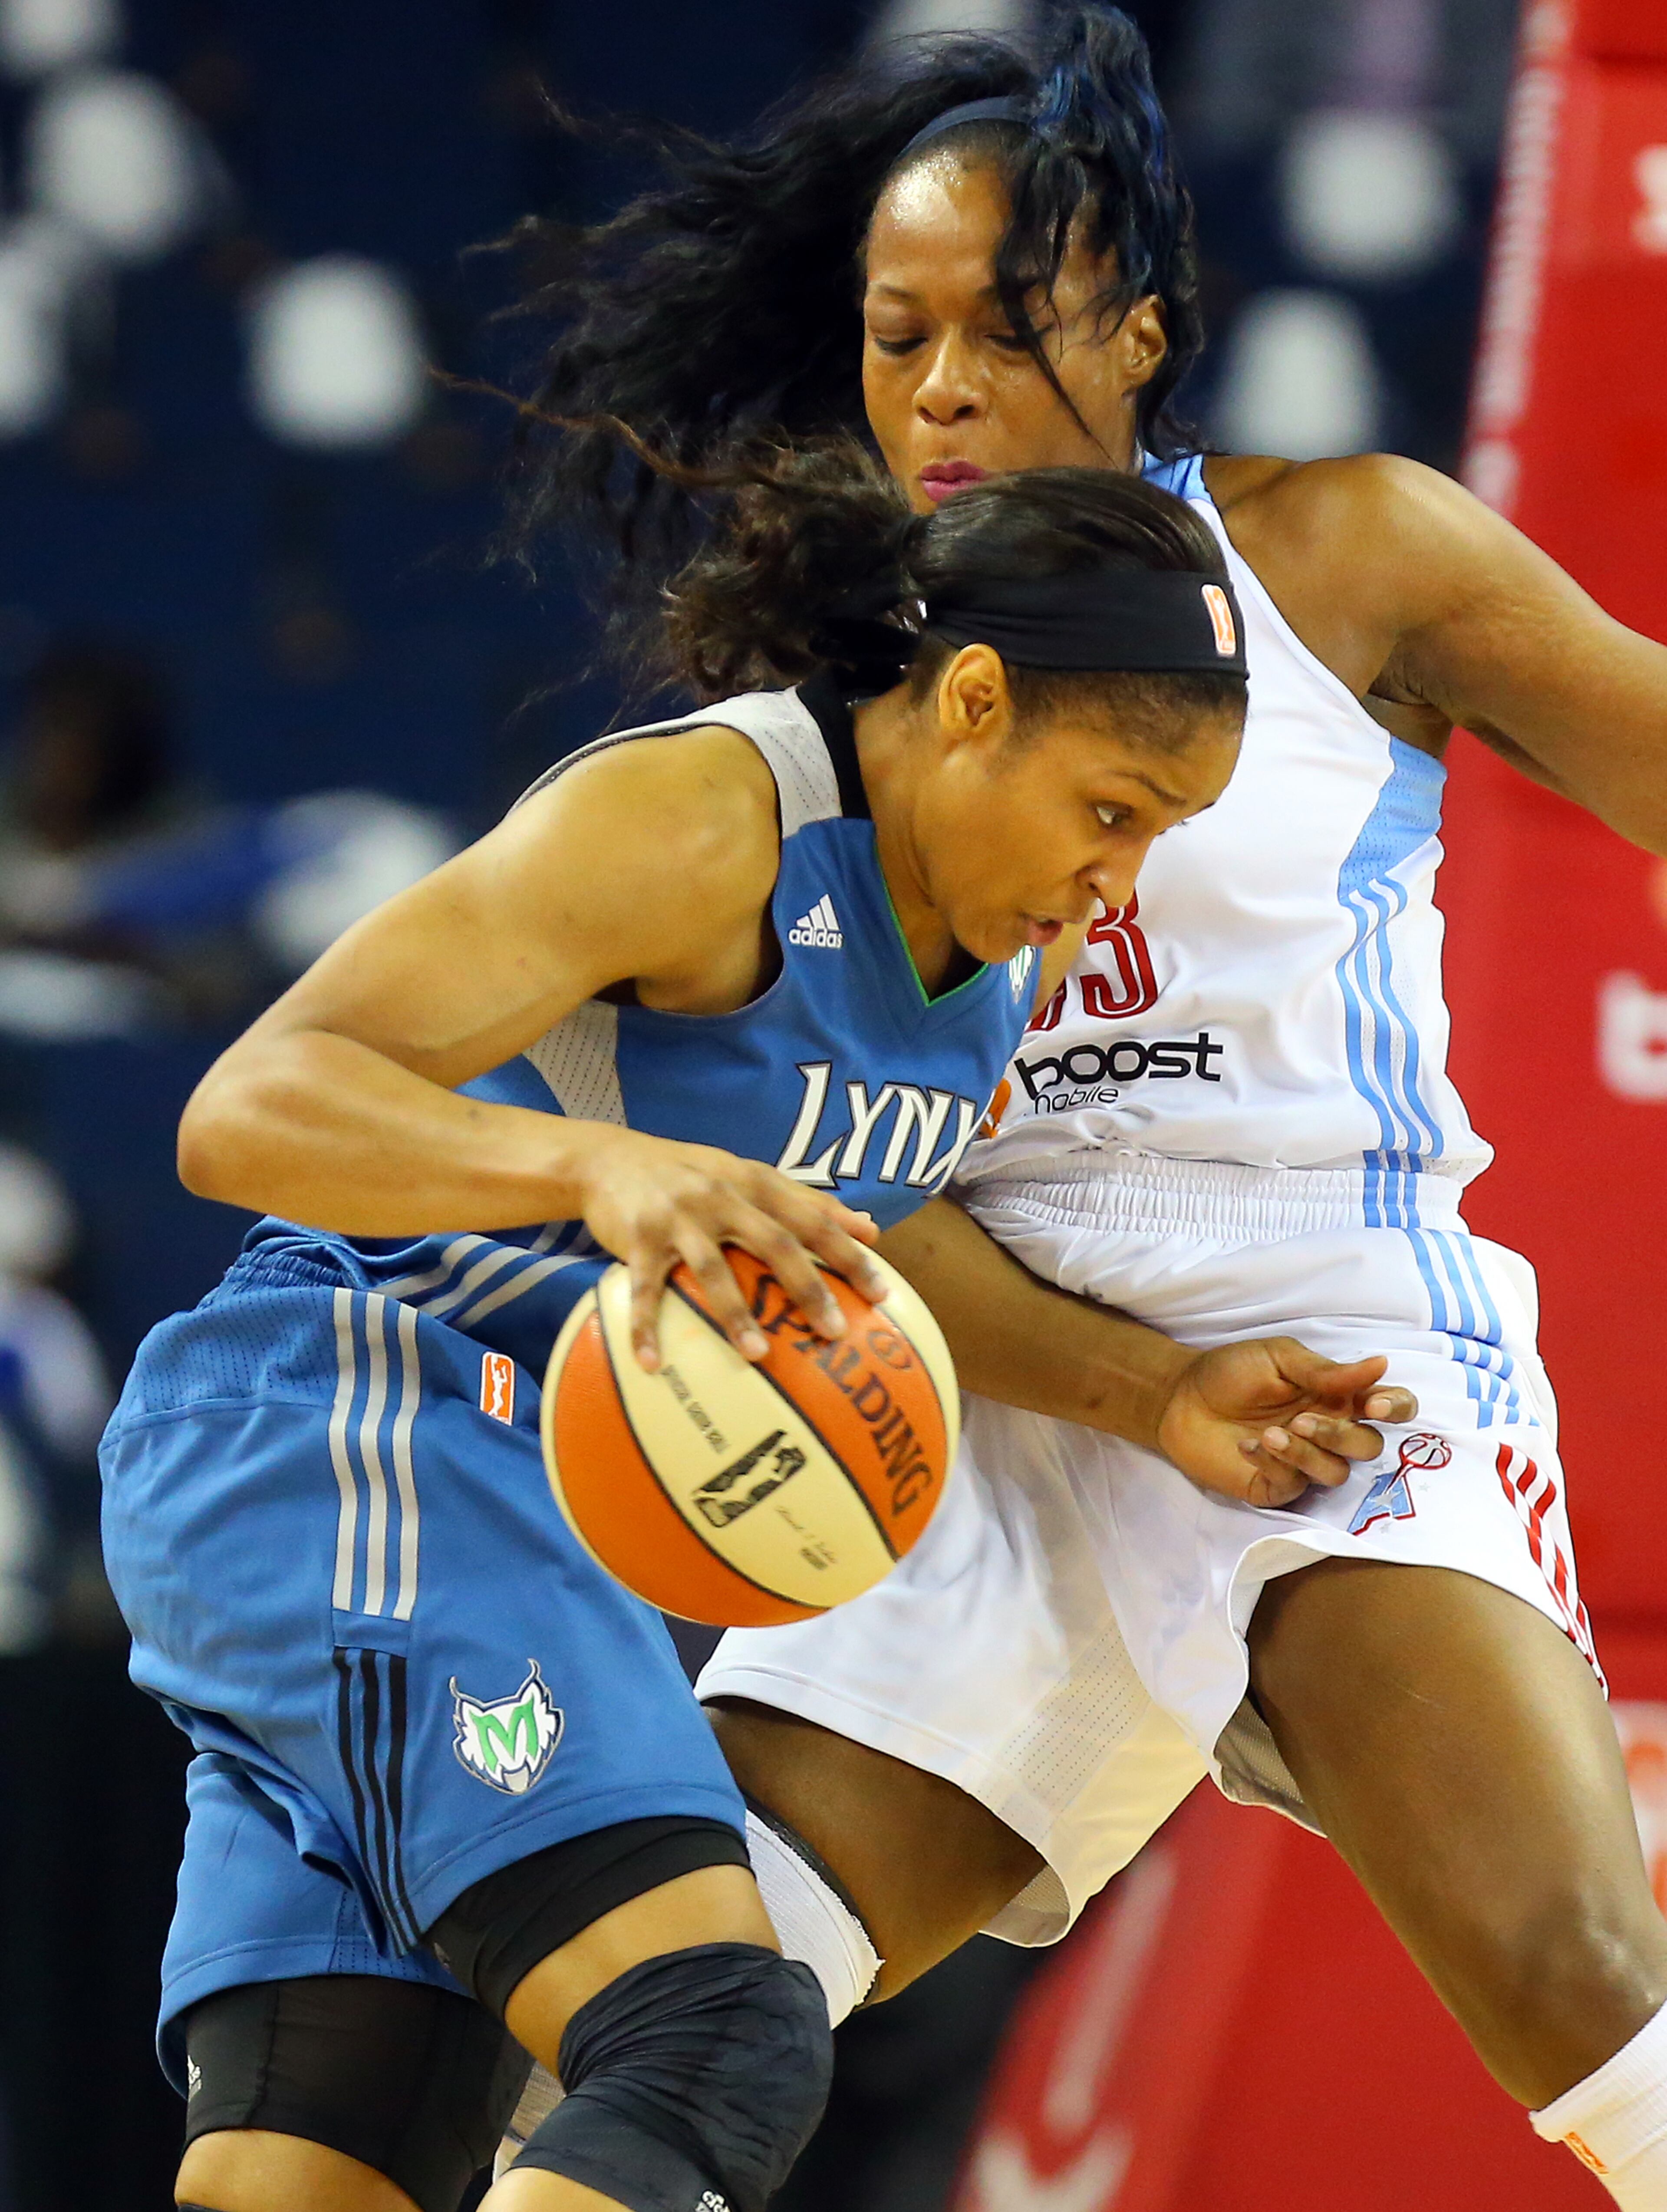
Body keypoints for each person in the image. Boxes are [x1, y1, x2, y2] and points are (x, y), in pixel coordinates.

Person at [507, 10, 1667, 2204]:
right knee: (657, 2029)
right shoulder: (818, 707)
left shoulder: (1347, 559)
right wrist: (1134, 1390)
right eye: (896, 334)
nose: (939, 387)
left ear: (1136, 332)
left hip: (1327, 1324)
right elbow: (833, 1175)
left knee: (1583, 1985)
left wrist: (1201, 1386)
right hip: (993, 1378)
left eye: (1004, 328)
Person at [103, 437, 1375, 2212]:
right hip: (355, 1417)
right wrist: (601, 1167)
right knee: (717, 2036)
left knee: (347, 2158)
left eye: (1162, 834)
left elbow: (865, 1222)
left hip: (472, 1511)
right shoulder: (708, 820)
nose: (1122, 878)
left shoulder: (994, 952)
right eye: (1111, 806)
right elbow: (249, 1106)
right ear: (975, 701)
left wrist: (1154, 1391)